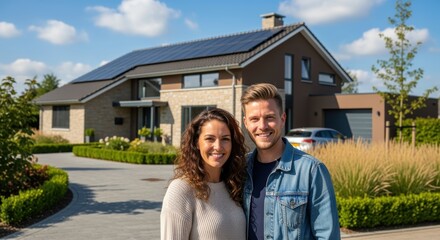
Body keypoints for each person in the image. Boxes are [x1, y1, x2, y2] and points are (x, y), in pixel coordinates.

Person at [240, 83, 340, 239]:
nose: (262, 126)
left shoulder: (311, 170)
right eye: (254, 119)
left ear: (282, 118)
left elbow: (327, 236)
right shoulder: (240, 169)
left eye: (269, 117)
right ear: (246, 123)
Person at [160, 108, 247, 240]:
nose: (218, 146)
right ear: (197, 143)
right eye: (210, 139)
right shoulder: (181, 190)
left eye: (225, 139)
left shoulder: (234, 185)